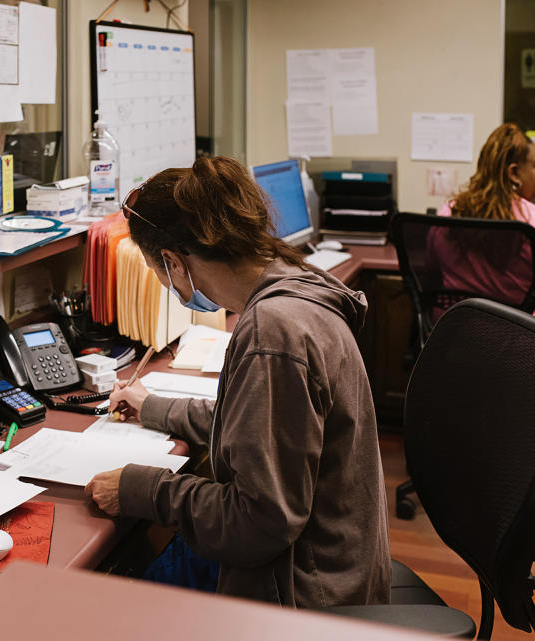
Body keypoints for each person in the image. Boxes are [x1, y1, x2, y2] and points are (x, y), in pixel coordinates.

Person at [84, 157, 390, 607]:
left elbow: (258, 522)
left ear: (173, 262)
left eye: (159, 275)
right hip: (332, 561)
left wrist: (141, 489)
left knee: (113, 597)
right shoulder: (294, 283)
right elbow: (261, 427)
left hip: (307, 594)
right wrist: (152, 407)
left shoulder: (274, 333)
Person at [437, 123, 535, 321]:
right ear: (514, 173)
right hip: (525, 342)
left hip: (460, 336)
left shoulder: (448, 212)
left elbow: (432, 272)